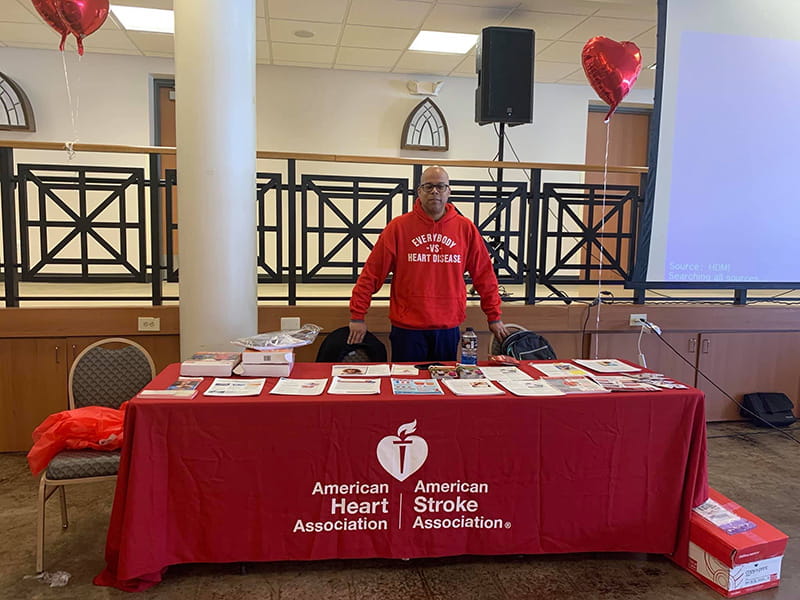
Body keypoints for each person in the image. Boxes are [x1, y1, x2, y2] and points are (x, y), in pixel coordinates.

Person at [348, 166, 509, 362]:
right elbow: (372, 274)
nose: (435, 191)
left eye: (441, 186)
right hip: (407, 329)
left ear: (449, 191)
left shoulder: (465, 229)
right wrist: (357, 315)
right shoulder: (398, 228)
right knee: (406, 387)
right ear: (419, 191)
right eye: (428, 186)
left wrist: (494, 316)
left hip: (448, 328)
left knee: (444, 386)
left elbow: (484, 275)